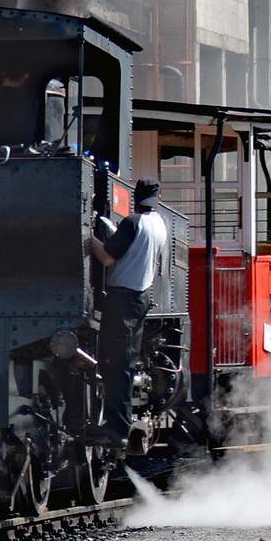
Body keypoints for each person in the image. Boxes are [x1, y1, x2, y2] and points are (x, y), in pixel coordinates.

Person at [89, 178, 169, 457]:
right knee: (125, 362)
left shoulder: (133, 223)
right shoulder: (160, 224)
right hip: (141, 298)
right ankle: (119, 426)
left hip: (123, 299)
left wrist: (90, 239)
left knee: (115, 364)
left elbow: (108, 258)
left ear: (137, 197)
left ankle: (117, 429)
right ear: (157, 198)